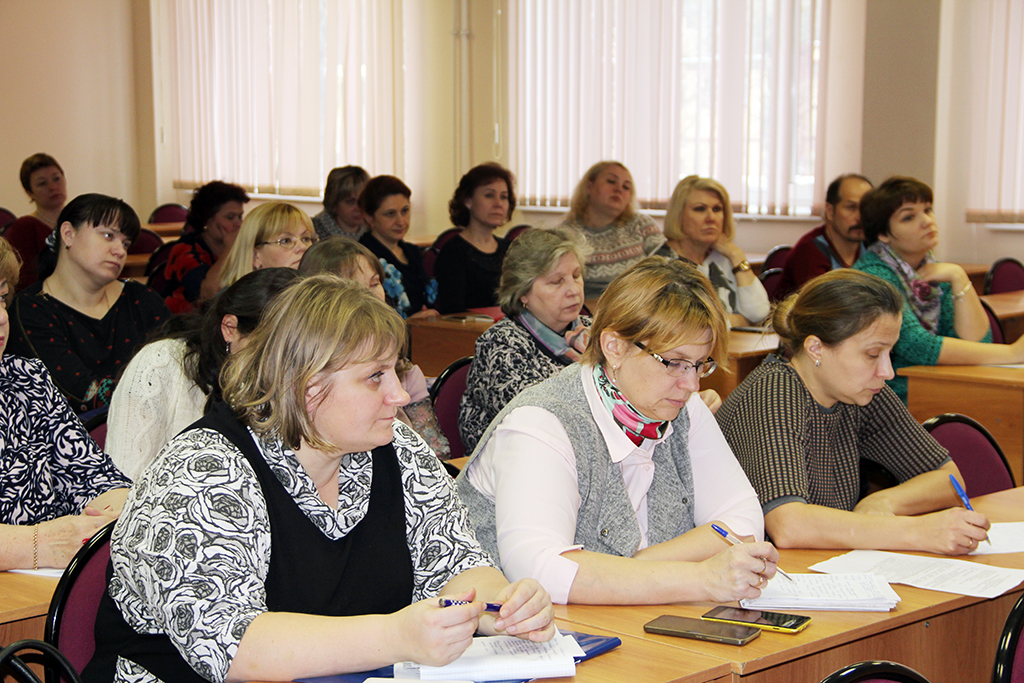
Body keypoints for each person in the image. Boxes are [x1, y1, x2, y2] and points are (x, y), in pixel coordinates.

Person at [83, 276, 554, 683]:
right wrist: (396, 636)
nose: (398, 395)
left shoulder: (396, 448)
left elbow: (454, 564)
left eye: (395, 371)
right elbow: (233, 647)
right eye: (375, 377)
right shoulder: (202, 470)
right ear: (306, 386)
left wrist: (502, 605)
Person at [457, 257, 776, 606]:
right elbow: (539, 570)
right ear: (614, 347)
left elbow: (743, 521)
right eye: (674, 363)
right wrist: (701, 579)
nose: (692, 384)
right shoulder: (540, 422)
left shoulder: (684, 407)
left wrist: (636, 569)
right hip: (510, 630)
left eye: (700, 364)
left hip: (625, 618)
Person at [716, 269, 991, 555]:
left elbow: (948, 479)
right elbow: (788, 524)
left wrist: (883, 502)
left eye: (889, 353)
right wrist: (918, 532)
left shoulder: (862, 391)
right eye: (872, 354)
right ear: (816, 349)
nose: (887, 371)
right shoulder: (774, 394)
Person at [0, 235, 130, 571]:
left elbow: (94, 474)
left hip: (47, 581)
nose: (1, 317)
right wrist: (37, 544)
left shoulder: (24, 378)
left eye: (1, 298)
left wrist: (114, 510)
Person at [106, 268, 302, 481]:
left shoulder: (305, 382)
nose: (285, 362)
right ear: (230, 329)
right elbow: (122, 482)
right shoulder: (160, 365)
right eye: (273, 346)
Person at [854, 176, 1024, 402]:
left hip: (931, 386)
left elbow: (977, 342)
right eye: (908, 217)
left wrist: (958, 276)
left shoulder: (932, 270)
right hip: (886, 396)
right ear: (883, 234)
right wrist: (1012, 353)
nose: (926, 221)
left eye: (927, 210)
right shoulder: (873, 276)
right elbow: (916, 345)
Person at [8, 194, 169, 414]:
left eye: (125, 243)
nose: (120, 251)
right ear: (68, 234)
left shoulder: (143, 299)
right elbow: (81, 394)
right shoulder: (30, 310)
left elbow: (182, 364)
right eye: (108, 235)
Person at [300, 238, 450, 458]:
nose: (369, 295)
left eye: (374, 283)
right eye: (352, 286)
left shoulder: (405, 370)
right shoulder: (307, 375)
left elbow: (436, 451)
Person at [660, 175, 770, 326]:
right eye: (700, 209)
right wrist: (741, 321)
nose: (711, 218)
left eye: (717, 209)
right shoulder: (662, 262)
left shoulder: (727, 258)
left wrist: (736, 255)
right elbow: (685, 325)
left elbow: (759, 313)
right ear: (678, 216)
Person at [559, 161, 665, 300]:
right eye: (611, 181)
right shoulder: (565, 235)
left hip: (641, 305)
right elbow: (563, 289)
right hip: (589, 308)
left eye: (626, 187)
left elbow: (670, 270)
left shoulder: (642, 225)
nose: (618, 189)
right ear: (589, 186)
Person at [434, 163, 516, 313]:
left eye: (504, 197)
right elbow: (453, 313)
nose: (498, 203)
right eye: (489, 195)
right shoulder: (453, 252)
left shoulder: (511, 249)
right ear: (468, 201)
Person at [777, 174, 873, 298]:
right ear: (830, 211)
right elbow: (823, 304)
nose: (860, 217)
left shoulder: (871, 245)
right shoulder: (810, 250)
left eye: (866, 208)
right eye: (851, 207)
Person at [359, 175, 438, 319]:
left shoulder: (413, 252)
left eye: (405, 211)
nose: (401, 221)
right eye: (390, 214)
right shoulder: (363, 257)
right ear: (369, 217)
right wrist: (410, 323)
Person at [162, 181, 249, 313]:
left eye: (240, 216)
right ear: (207, 219)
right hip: (185, 320)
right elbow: (209, 295)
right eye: (230, 217)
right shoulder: (185, 250)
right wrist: (230, 247)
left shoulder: (241, 247)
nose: (238, 223)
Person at [218, 201, 316, 288]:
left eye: (306, 239)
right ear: (255, 256)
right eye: (286, 241)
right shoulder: (233, 302)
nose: (303, 247)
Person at [6, 153, 68, 290]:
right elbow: (24, 280)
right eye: (42, 183)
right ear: (29, 192)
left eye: (57, 179)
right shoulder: (24, 227)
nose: (53, 187)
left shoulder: (81, 220)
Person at [313, 165, 371, 241]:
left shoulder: (373, 230)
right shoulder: (314, 232)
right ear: (334, 203)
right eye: (351, 202)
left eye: (363, 200)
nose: (359, 208)